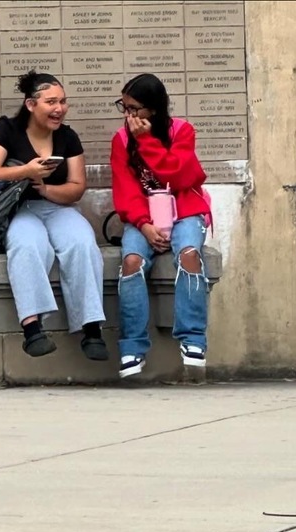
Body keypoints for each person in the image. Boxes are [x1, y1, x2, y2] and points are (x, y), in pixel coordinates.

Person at [0, 70, 108, 361]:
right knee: (26, 244)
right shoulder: (5, 130)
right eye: (51, 102)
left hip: (57, 206)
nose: (59, 108)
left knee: (83, 242)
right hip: (18, 209)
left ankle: (91, 328)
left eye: (62, 101)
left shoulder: (68, 136)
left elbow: (76, 187)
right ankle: (33, 328)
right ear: (31, 104)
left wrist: (45, 187)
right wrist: (27, 171)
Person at [110, 73, 212, 378]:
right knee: (131, 262)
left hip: (184, 210)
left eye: (134, 108)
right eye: (124, 107)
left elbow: (178, 177)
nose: (128, 115)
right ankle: (132, 347)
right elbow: (125, 190)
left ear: (153, 109)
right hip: (143, 217)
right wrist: (143, 225)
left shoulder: (182, 131)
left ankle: (193, 340)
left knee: (190, 255)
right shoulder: (121, 139)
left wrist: (146, 141)